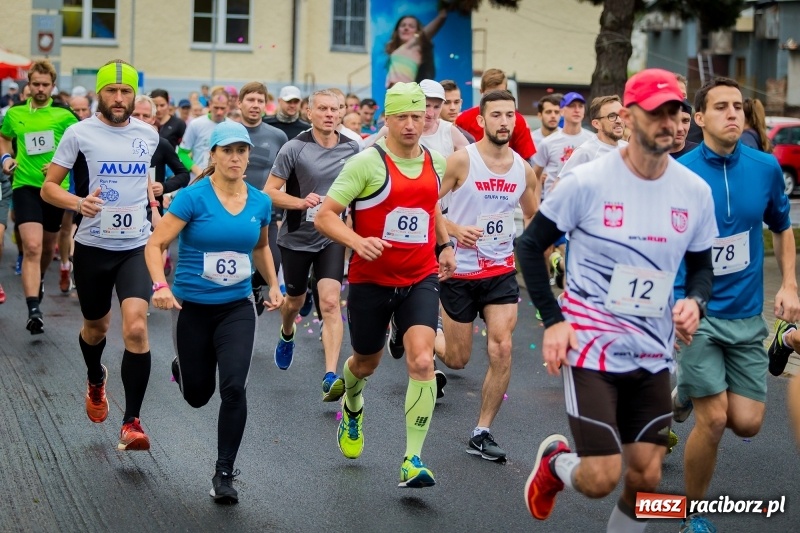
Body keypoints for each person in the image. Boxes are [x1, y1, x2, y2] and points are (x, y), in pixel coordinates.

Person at [517, 69, 717, 530]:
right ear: (627, 117)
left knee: (646, 475)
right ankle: (554, 465)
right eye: (657, 112)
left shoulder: (693, 192)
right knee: (601, 477)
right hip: (590, 348)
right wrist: (554, 321)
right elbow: (530, 245)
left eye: (676, 112)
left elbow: (703, 268)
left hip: (653, 351)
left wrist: (696, 302)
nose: (669, 121)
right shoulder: (587, 181)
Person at [671, 77, 800, 533]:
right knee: (715, 419)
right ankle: (692, 514)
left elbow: (782, 227)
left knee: (746, 423)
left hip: (747, 316)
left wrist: (788, 282)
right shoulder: (679, 173)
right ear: (699, 118)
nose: (733, 114)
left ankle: (682, 390)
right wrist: (675, 303)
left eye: (738, 107)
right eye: (721, 107)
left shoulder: (765, 167)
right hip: (698, 313)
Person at [314, 82, 456, 488]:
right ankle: (353, 401)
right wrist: (358, 241)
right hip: (371, 281)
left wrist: (444, 244)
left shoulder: (437, 162)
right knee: (366, 363)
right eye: (402, 117)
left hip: (420, 277)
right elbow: (325, 216)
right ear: (387, 120)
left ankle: (413, 458)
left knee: (423, 361)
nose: (412, 124)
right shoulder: (366, 163)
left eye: (418, 115)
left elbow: (429, 204)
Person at [145, 121, 283, 504]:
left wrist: (273, 284)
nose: (236, 158)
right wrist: (159, 285)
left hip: (237, 307)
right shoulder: (193, 198)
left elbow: (260, 248)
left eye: (242, 151)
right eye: (228, 151)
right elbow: (155, 245)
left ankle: (224, 473)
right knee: (197, 396)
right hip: (192, 308)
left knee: (235, 388)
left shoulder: (260, 201)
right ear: (214, 155)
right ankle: (183, 369)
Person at [41, 59, 161, 451]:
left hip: (135, 247)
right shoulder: (79, 133)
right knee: (96, 328)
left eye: (126, 92)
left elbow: (145, 179)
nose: (119, 98)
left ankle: (132, 422)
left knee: (137, 328)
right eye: (112, 91)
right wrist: (78, 202)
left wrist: (156, 208)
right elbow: (49, 189)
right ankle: (96, 378)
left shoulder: (149, 134)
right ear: (100, 93)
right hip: (92, 247)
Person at [435, 89, 539, 461]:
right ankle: (425, 333)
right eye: (496, 115)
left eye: (510, 115)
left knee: (502, 346)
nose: (504, 122)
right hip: (459, 271)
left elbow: (532, 216)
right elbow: (425, 202)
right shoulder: (461, 161)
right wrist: (453, 229)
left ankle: (482, 431)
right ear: (481, 121)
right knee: (458, 359)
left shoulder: (522, 168)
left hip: (499, 270)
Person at [264, 89, 359, 399]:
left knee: (331, 301)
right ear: (310, 112)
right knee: (294, 300)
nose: (329, 114)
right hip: (296, 236)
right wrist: (301, 202)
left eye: (335, 108)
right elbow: (270, 191)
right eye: (323, 109)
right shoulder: (295, 147)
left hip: (331, 236)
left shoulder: (353, 148)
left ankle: (331, 375)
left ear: (342, 112)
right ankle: (287, 332)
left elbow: (363, 191)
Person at [0, 60, 78, 334]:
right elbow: (4, 137)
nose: (41, 89)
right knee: (31, 247)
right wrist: (6, 157)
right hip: (25, 186)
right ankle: (34, 308)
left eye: (46, 84)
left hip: (55, 189)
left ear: (53, 86)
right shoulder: (15, 113)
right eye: (36, 84)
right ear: (28, 85)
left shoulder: (65, 116)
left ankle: (40, 278)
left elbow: (80, 147)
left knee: (47, 248)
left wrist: (60, 164)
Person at [235, 82, 289, 313]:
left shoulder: (277, 136)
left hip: (266, 210)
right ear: (240, 103)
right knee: (234, 267)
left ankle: (255, 286)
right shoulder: (229, 132)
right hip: (232, 209)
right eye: (250, 100)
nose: (255, 105)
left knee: (272, 264)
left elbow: (287, 173)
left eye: (260, 101)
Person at [456, 69, 536, 164]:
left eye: (500, 93)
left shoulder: (517, 120)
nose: (496, 99)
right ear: (481, 91)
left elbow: (525, 160)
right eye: (490, 95)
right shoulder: (464, 119)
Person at [385, 10, 448, 87]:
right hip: (394, 94)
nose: (406, 28)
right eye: (403, 25)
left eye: (411, 26)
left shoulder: (415, 46)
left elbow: (426, 33)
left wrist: (442, 15)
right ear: (397, 30)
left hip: (405, 93)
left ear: (417, 32)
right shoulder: (398, 50)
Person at [178, 88, 231, 177]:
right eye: (216, 107)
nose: (219, 112)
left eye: (222, 108)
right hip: (200, 179)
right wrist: (197, 170)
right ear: (210, 104)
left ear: (228, 107)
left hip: (223, 180)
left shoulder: (232, 126)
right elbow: (182, 153)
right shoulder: (196, 124)